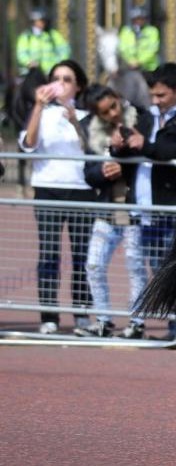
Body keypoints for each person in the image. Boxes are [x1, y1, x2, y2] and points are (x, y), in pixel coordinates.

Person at [118, 62, 176, 342]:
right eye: (153, 96)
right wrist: (117, 148)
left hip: (175, 205)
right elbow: (134, 151)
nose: (156, 101)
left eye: (161, 96)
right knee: (160, 269)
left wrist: (147, 146)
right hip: (145, 206)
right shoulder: (147, 117)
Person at [19, 59, 96, 334]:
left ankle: (82, 314)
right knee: (49, 252)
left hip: (80, 189)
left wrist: (76, 121)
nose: (60, 84)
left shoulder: (87, 116)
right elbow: (28, 144)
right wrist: (39, 106)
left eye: (67, 79)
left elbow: (93, 150)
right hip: (48, 187)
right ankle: (49, 316)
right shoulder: (41, 112)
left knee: (82, 256)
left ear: (78, 86)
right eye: (56, 78)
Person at [76, 85, 149, 339]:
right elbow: (89, 173)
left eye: (114, 106)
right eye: (105, 112)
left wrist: (122, 163)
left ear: (119, 98)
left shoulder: (141, 118)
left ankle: (137, 322)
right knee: (94, 264)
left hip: (134, 209)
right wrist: (102, 172)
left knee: (135, 266)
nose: (112, 113)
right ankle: (103, 320)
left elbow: (148, 155)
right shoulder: (92, 131)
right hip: (107, 207)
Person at [15, 8, 71, 75]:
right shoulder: (26, 37)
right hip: (31, 73)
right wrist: (28, 62)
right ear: (33, 22)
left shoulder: (53, 34)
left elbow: (64, 50)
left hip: (51, 72)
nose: (41, 23)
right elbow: (21, 53)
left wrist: (58, 63)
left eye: (43, 21)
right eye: (39, 21)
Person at [117, 5, 161, 71]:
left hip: (149, 68)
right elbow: (122, 48)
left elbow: (153, 49)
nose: (138, 21)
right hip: (130, 67)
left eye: (141, 19)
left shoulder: (152, 31)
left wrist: (140, 62)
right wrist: (130, 61)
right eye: (136, 19)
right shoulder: (125, 31)